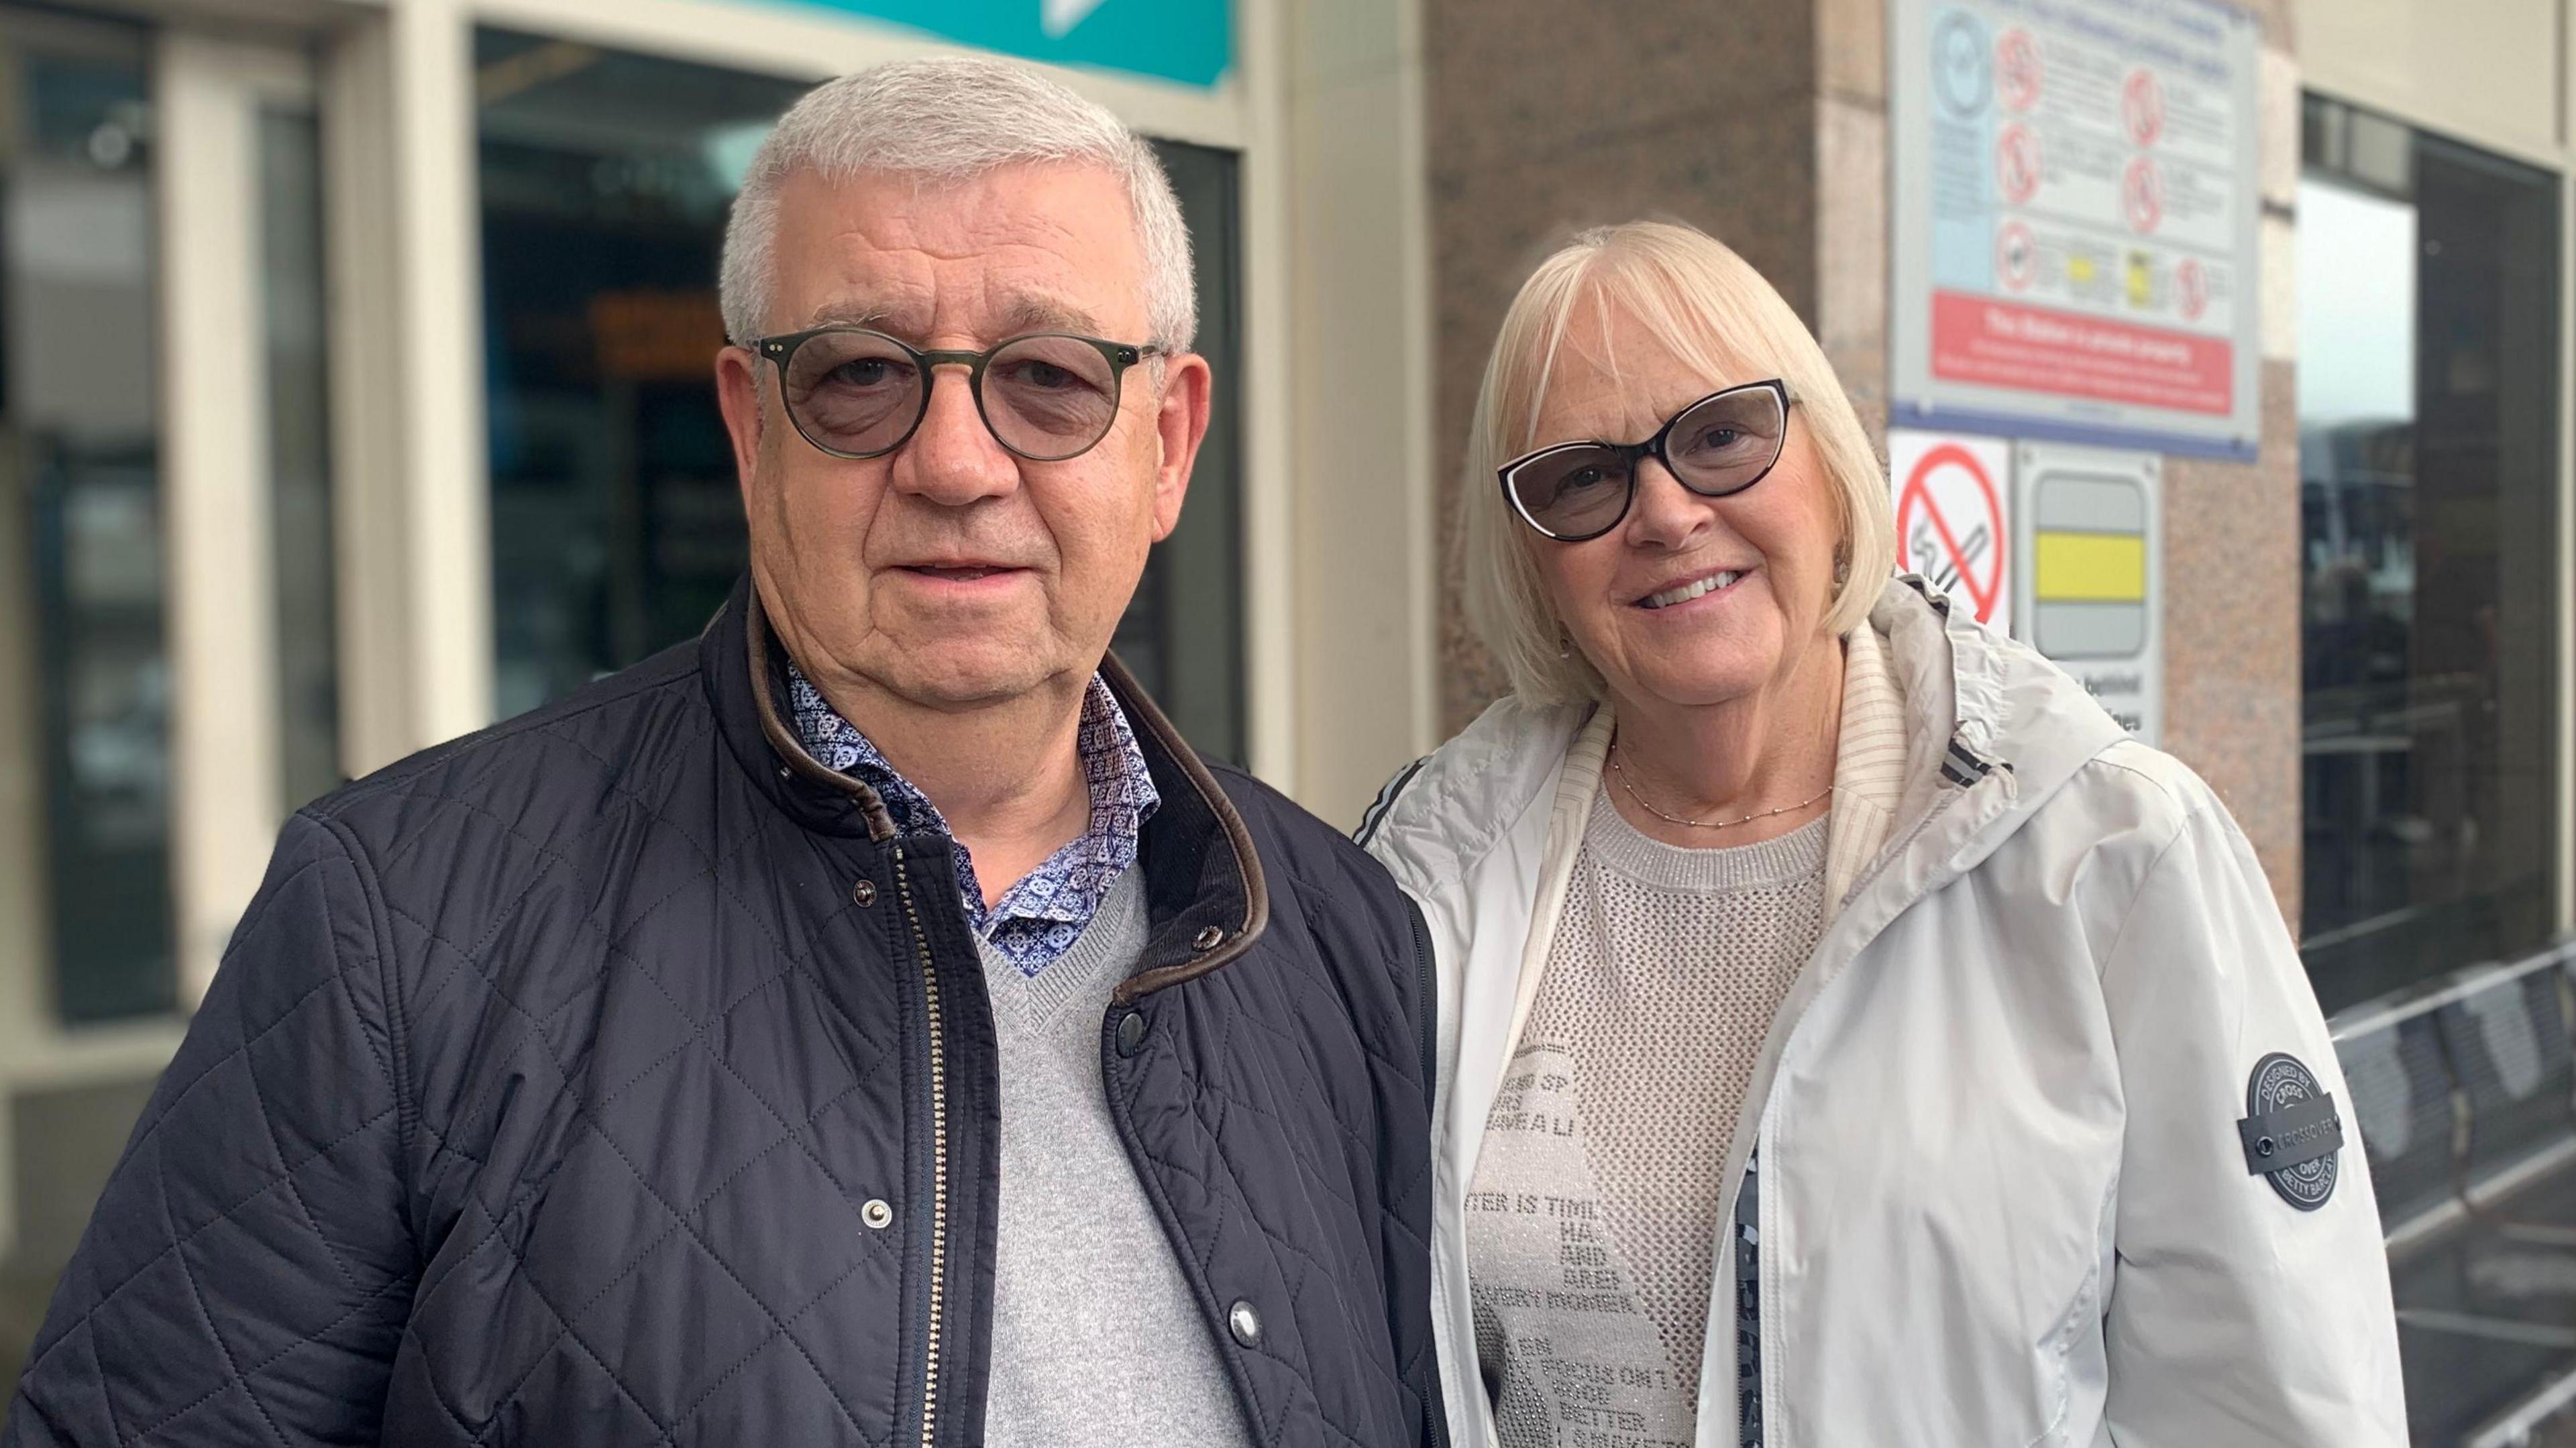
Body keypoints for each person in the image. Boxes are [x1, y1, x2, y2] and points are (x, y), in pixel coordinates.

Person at [5, 58, 1440, 1448]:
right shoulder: (396, 922)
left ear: (1171, 442)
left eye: (1050, 377)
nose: (953, 461)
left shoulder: (1340, 938)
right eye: (862, 375)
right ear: (753, 434)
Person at [1358, 220, 2404, 1447]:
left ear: (1829, 468)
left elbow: (2269, 1404)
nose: (1665, 509)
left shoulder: (2100, 848)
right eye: (1583, 478)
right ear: (1531, 558)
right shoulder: (1432, 879)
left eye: (1720, 436)